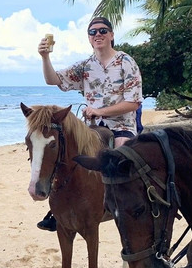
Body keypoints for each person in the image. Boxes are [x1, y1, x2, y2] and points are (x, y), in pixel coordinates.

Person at [36, 15, 143, 232]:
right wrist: (45, 57)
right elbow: (53, 80)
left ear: (111, 35)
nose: (98, 35)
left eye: (103, 31)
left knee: (121, 158)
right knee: (65, 154)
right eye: (93, 32)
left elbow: (133, 103)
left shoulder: (126, 62)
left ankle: (126, 206)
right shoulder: (86, 65)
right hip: (92, 126)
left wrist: (100, 110)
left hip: (121, 125)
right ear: (89, 38)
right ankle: (58, 209)